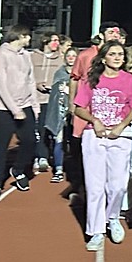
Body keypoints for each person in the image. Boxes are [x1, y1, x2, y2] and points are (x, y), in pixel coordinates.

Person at [72, 41, 132, 252]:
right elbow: (78, 108)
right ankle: (95, 231)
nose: (118, 57)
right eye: (113, 54)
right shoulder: (92, 80)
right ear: (104, 58)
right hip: (94, 137)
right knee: (95, 188)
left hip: (120, 137)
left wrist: (121, 126)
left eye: (120, 54)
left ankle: (112, 217)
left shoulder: (128, 80)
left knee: (118, 185)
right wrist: (95, 121)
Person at [67, 22, 123, 205]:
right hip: (85, 109)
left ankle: (107, 193)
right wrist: (71, 105)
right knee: (81, 150)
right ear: (101, 35)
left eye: (117, 32)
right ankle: (80, 187)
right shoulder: (85, 55)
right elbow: (74, 79)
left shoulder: (121, 56)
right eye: (110, 32)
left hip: (110, 110)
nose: (115, 35)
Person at [0, 25, 39, 197]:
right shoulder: (1, 55)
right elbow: (0, 85)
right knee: (1, 147)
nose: (29, 39)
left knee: (30, 140)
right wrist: (14, 109)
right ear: (20, 36)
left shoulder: (26, 56)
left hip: (25, 105)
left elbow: (30, 81)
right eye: (27, 36)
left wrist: (34, 105)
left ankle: (18, 170)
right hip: (1, 109)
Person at [31, 32, 64, 174]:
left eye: (58, 41)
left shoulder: (60, 59)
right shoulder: (33, 57)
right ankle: (39, 156)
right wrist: (37, 84)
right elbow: (27, 76)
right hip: (35, 98)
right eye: (54, 40)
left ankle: (45, 156)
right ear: (45, 41)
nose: (57, 43)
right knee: (37, 129)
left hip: (52, 99)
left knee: (49, 129)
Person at [44, 47, 78, 184]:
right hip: (60, 112)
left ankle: (75, 170)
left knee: (75, 141)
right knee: (59, 139)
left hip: (76, 112)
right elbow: (55, 94)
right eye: (68, 55)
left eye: (74, 55)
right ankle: (58, 169)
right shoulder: (59, 73)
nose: (71, 58)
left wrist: (70, 90)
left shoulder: (82, 73)